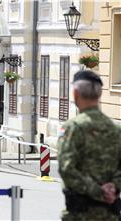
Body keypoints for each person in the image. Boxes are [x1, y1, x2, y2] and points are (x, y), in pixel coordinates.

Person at [57, 70, 121, 221]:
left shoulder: (73, 127)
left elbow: (67, 168)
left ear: (75, 94)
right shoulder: (116, 130)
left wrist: (98, 191)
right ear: (99, 96)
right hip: (110, 215)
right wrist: (113, 187)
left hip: (80, 215)